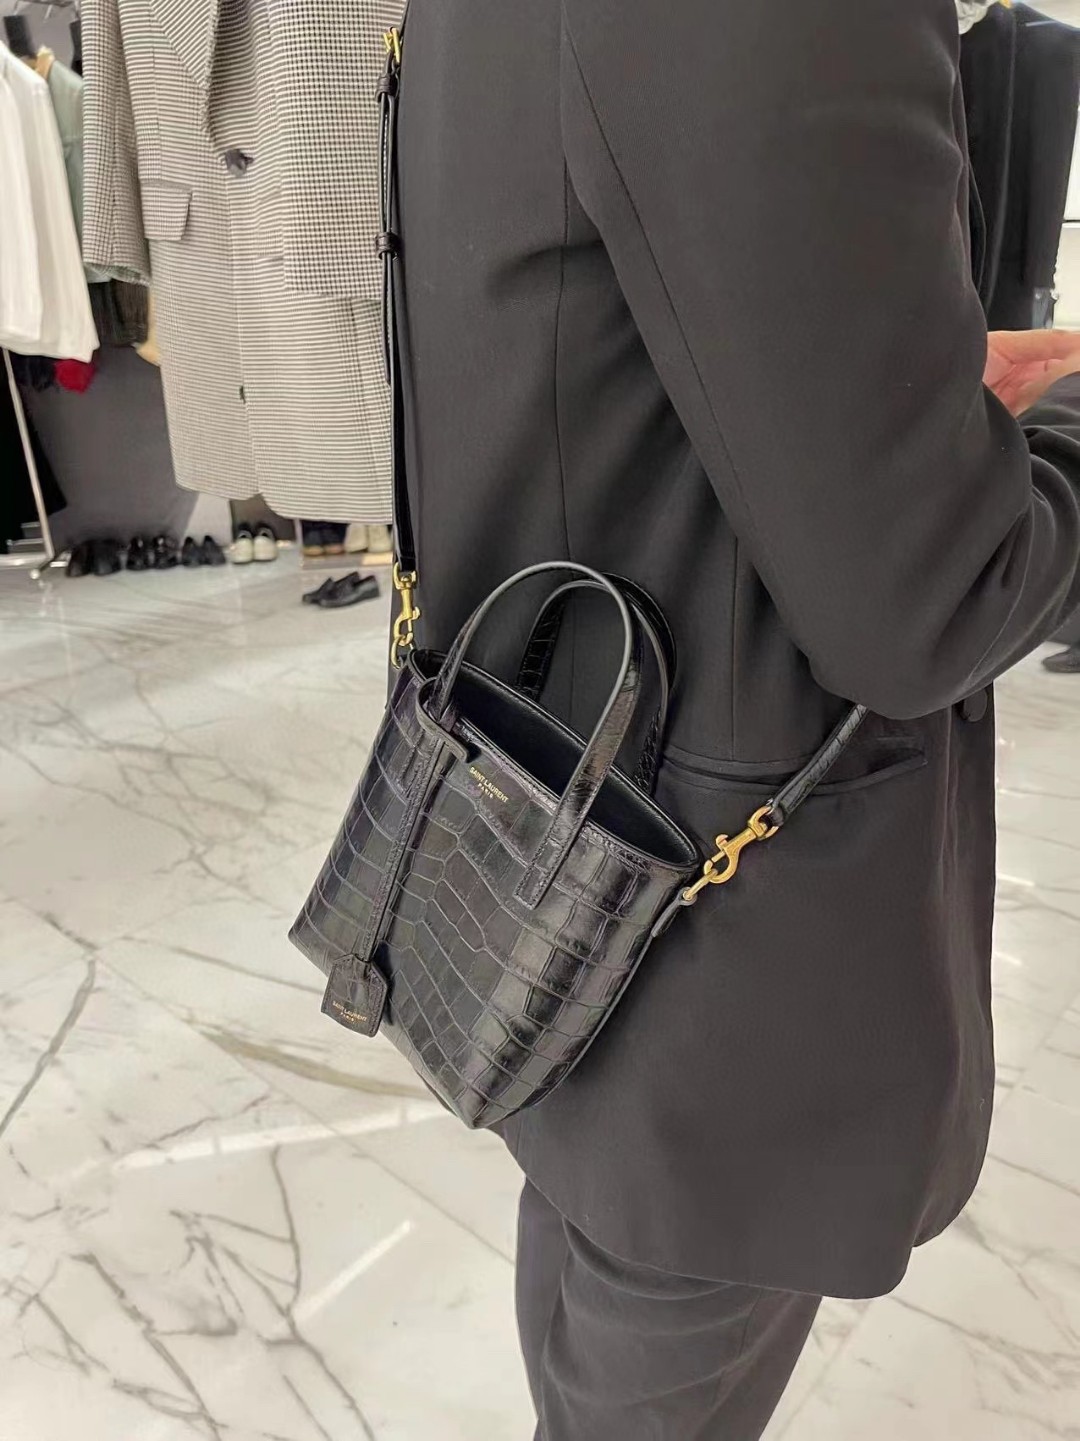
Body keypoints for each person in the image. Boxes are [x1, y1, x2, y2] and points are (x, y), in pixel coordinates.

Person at [393, 3, 1080, 1436]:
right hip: (715, 944)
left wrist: (896, 399)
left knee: (594, 1309)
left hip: (553, 861)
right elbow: (931, 596)